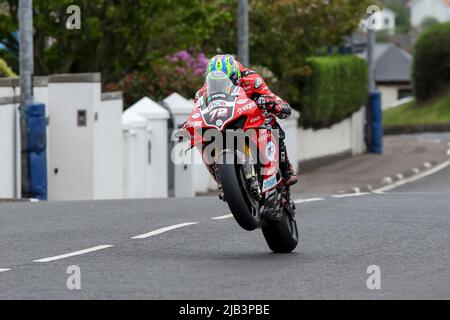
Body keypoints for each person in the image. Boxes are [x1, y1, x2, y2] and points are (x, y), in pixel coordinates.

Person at [195, 54, 298, 186]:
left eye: (225, 81)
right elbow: (198, 111)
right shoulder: (202, 92)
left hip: (251, 116)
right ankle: (221, 178)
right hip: (223, 121)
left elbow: (272, 98)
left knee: (271, 124)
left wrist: (274, 104)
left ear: (235, 76)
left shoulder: (252, 79)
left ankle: (286, 169)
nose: (219, 85)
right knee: (205, 140)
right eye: (215, 82)